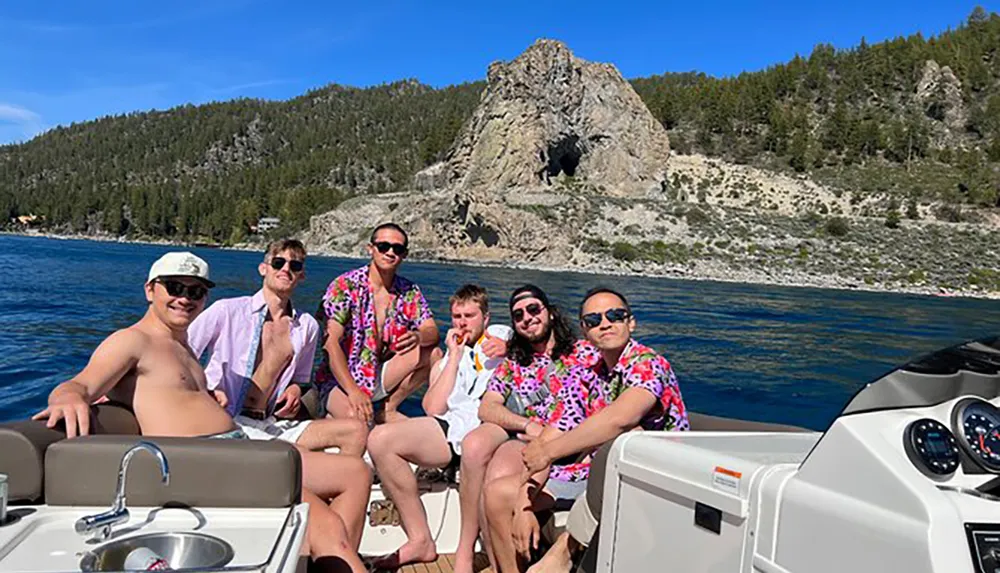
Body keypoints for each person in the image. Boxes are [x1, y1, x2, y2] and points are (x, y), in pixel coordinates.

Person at [31, 252, 370, 573]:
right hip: (212, 464)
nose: (185, 298)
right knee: (326, 525)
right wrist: (68, 398)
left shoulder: (182, 345)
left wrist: (210, 397)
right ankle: (332, 549)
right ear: (150, 290)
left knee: (355, 473)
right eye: (175, 288)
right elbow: (80, 385)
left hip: (237, 446)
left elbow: (172, 397)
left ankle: (325, 558)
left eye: (196, 291)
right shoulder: (132, 341)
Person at [519, 286, 690, 573]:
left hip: (663, 477)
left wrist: (548, 452)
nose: (605, 323)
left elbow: (620, 418)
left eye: (615, 315)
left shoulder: (648, 363)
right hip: (600, 475)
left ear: (630, 322)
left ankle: (565, 549)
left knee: (624, 441)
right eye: (593, 320)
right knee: (502, 493)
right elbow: (562, 422)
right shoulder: (590, 374)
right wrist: (524, 494)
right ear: (585, 332)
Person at [367, 284, 513, 570]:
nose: (462, 322)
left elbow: (531, 346)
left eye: (469, 316)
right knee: (380, 439)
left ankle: (465, 552)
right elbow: (433, 408)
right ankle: (420, 539)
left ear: (485, 317)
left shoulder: (501, 336)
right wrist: (455, 358)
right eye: (457, 316)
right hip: (453, 428)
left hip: (490, 426)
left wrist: (510, 348)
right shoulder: (448, 359)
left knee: (475, 448)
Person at [458, 285, 595, 573]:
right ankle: (503, 566)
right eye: (518, 315)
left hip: (573, 445)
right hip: (532, 441)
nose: (527, 318)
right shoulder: (516, 362)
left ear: (550, 313)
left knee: (503, 478)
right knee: (495, 472)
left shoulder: (584, 353)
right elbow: (488, 407)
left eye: (534, 309)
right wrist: (528, 424)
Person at [187, 238, 366, 456]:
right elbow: (182, 354)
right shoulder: (227, 311)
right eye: (278, 262)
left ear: (301, 276)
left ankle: (337, 484)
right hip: (228, 421)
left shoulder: (306, 326)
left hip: (271, 423)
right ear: (264, 268)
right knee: (294, 456)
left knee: (356, 431)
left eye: (295, 265)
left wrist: (294, 390)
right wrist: (205, 392)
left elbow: (300, 379)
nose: (286, 269)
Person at [315, 223, 439, 426]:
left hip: (378, 375)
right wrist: (354, 392)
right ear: (370, 249)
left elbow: (432, 331)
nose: (390, 253)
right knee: (358, 423)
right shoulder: (345, 286)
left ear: (404, 255)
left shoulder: (408, 291)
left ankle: (387, 408)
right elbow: (330, 344)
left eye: (397, 249)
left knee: (433, 354)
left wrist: (418, 336)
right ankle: (335, 412)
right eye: (383, 246)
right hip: (340, 380)